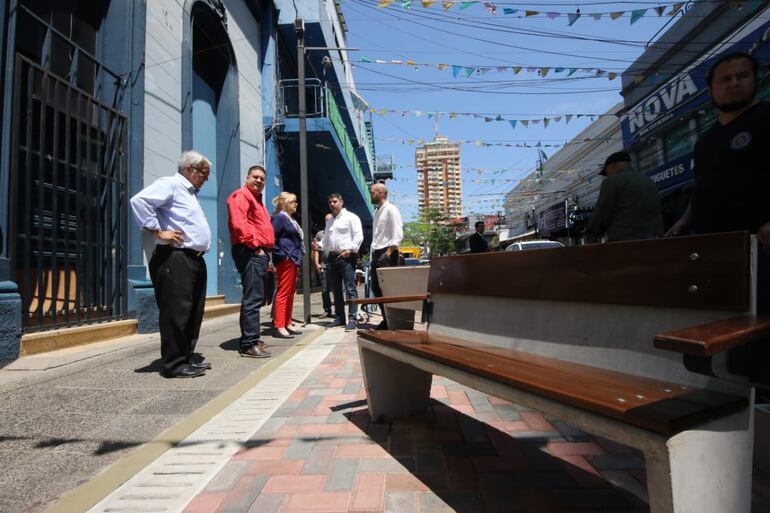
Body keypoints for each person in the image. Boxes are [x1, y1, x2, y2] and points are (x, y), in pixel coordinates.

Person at [664, 52, 770, 389]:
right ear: (710, 90)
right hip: (716, 248)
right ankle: (738, 393)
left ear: (755, 80)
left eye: (742, 76)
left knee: (762, 327)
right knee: (727, 328)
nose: (734, 83)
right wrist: (682, 222)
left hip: (761, 245)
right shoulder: (706, 141)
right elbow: (704, 189)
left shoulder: (766, 119)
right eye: (725, 79)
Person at [129, 150, 213, 378]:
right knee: (177, 312)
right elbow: (139, 201)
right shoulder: (171, 185)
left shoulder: (189, 193)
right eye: (203, 173)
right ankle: (173, 364)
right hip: (176, 258)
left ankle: (186, 358)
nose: (206, 178)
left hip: (194, 259)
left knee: (193, 312)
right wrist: (157, 231)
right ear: (189, 170)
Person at [226, 165, 275, 358]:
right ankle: (248, 343)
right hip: (250, 252)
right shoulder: (241, 196)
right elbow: (239, 224)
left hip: (257, 253)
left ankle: (251, 338)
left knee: (255, 297)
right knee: (253, 298)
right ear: (247, 178)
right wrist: (256, 247)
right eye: (255, 177)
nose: (259, 181)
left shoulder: (257, 200)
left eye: (262, 179)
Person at [584, 151, 663, 242]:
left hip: (626, 242)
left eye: (606, 172)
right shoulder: (649, 181)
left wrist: (590, 232)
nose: (607, 176)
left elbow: (601, 211)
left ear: (612, 166)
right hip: (655, 240)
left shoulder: (612, 181)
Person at [321, 193, 363, 331]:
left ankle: (352, 318)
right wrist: (319, 245)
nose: (332, 204)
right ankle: (340, 318)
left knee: (350, 288)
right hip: (332, 258)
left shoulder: (351, 217)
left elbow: (358, 235)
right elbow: (326, 240)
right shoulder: (329, 222)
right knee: (336, 290)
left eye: (334, 201)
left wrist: (351, 250)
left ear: (341, 202)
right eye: (330, 203)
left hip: (346, 256)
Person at [369, 183, 403, 329]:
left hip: (387, 253)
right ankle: (386, 319)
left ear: (381, 193)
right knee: (377, 289)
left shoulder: (391, 209)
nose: (371, 194)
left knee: (388, 290)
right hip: (377, 253)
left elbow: (397, 232)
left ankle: (393, 321)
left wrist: (388, 253)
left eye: (372, 192)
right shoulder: (377, 211)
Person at [271, 192, 304, 339]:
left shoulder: (289, 219)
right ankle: (279, 325)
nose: (296, 204)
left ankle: (287, 322)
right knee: (284, 291)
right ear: (285, 203)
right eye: (293, 202)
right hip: (287, 258)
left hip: (293, 259)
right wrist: (283, 255)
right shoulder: (279, 218)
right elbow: (272, 238)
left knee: (290, 291)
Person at [312, 213, 334, 318]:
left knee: (336, 289)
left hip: (335, 265)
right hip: (324, 265)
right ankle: (327, 310)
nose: (328, 221)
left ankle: (339, 310)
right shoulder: (320, 234)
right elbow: (316, 250)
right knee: (325, 290)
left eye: (329, 219)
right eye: (326, 220)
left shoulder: (336, 232)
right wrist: (316, 263)